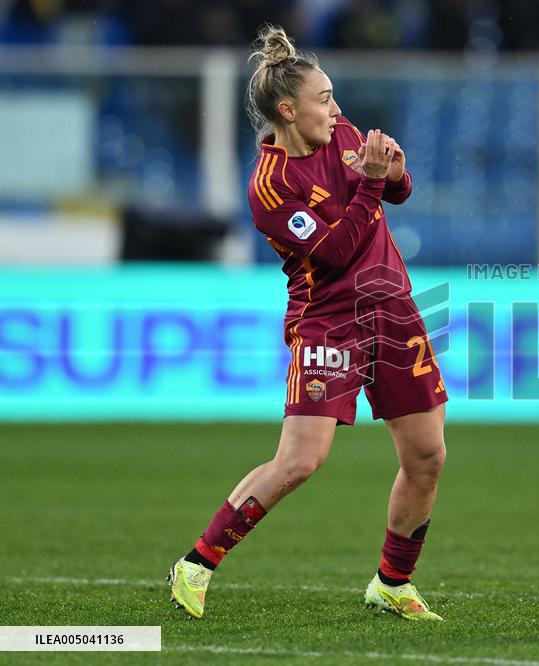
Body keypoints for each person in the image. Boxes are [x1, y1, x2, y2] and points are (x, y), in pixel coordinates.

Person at [167, 24, 448, 622]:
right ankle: (197, 562)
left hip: (393, 309)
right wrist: (375, 182)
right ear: (288, 110)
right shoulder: (270, 188)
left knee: (426, 456)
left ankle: (393, 584)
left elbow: (398, 192)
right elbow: (335, 253)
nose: (337, 109)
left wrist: (393, 172)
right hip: (330, 323)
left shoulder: (344, 135)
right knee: (300, 461)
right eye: (325, 99)